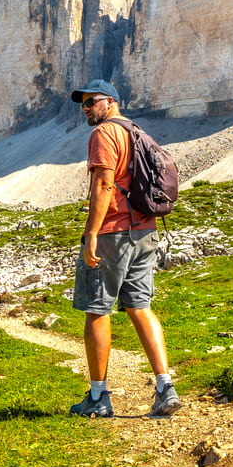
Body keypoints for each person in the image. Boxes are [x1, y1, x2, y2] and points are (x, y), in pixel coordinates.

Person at [67, 79, 181, 418]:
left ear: (111, 102)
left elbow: (103, 185)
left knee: (96, 310)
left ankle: (98, 397)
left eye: (92, 102)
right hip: (145, 231)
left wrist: (91, 234)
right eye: (83, 104)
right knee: (140, 306)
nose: (86, 109)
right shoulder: (136, 131)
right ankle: (165, 387)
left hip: (113, 234)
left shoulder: (104, 134)